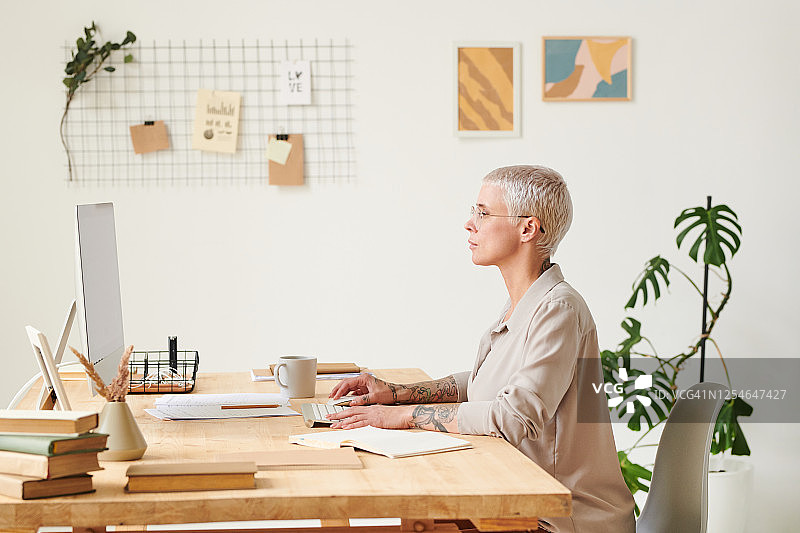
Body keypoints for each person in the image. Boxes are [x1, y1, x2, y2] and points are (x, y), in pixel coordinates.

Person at [327, 165, 635, 533]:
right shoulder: (522, 304)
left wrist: (403, 416)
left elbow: (513, 418)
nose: (469, 224)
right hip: (515, 501)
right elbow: (481, 384)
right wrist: (396, 394)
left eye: (483, 213)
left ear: (528, 228)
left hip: (560, 518)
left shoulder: (558, 310)